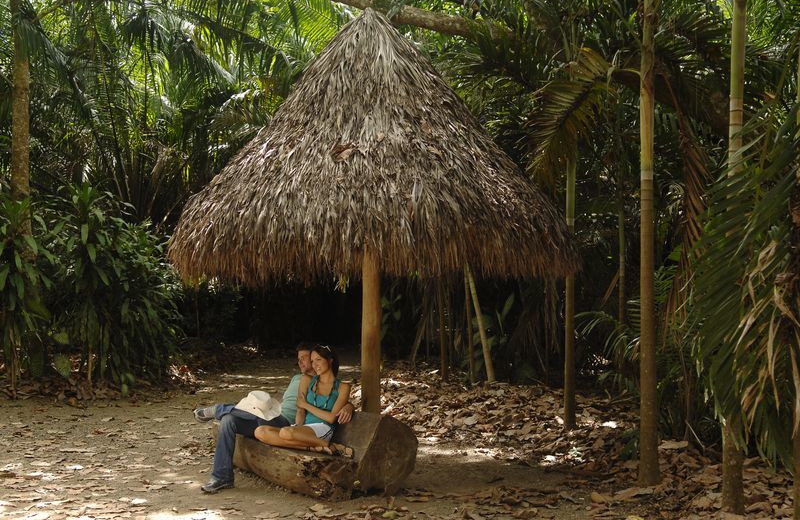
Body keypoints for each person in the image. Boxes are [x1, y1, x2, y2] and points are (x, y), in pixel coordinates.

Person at [193, 343, 354, 493]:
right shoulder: (302, 379)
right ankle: (222, 477)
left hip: (289, 424)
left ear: (329, 360)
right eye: (305, 360)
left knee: (266, 422)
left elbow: (333, 411)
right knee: (231, 421)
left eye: (309, 358)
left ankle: (218, 409)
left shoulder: (336, 385)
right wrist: (298, 421)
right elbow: (300, 410)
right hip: (278, 418)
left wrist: (349, 406)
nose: (306, 363)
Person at [254, 344, 352, 457]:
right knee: (260, 431)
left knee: (285, 432)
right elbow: (300, 411)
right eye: (312, 361)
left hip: (323, 428)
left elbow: (331, 418)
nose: (315, 365)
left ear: (330, 360)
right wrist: (298, 428)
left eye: (318, 360)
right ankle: (316, 447)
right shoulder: (306, 380)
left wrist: (306, 405)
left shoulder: (343, 387)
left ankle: (325, 443)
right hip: (304, 428)